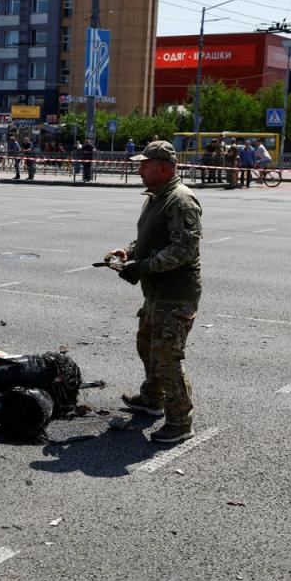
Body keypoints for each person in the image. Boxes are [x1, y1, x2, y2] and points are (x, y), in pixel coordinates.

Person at [106, 140, 202, 443]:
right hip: (156, 293)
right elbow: (149, 240)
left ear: (162, 167)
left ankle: (180, 421)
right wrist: (128, 251)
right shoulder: (157, 197)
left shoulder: (180, 201)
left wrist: (143, 267)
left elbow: (184, 250)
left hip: (175, 294)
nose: (139, 170)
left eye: (144, 165)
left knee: (166, 356)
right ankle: (152, 398)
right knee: (147, 343)